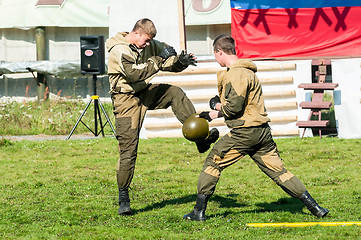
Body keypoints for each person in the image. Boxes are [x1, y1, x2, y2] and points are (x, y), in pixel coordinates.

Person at [183, 34, 329, 221]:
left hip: (243, 134)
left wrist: (216, 105)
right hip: (262, 133)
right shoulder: (248, 71)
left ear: (220, 52)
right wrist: (212, 115)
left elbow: (233, 108)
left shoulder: (235, 74)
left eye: (215, 54)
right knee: (279, 172)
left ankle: (198, 212)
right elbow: (245, 107)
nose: (216, 58)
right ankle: (315, 207)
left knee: (212, 164)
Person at [106, 18, 219, 215]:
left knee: (174, 93)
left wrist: (180, 62)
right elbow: (134, 74)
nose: (149, 44)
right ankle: (123, 197)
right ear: (137, 33)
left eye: (151, 41)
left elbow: (168, 57)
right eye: (146, 40)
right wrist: (158, 60)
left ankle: (200, 138)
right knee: (128, 150)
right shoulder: (118, 49)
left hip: (144, 91)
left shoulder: (149, 43)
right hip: (125, 100)